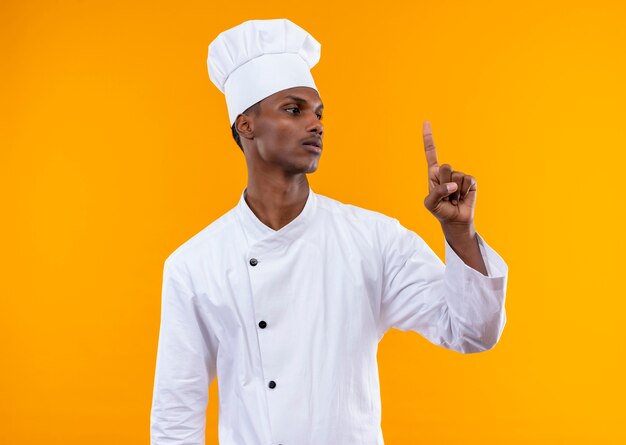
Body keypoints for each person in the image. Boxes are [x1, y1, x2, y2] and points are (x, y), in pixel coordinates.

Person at [150, 18, 508, 445]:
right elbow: (177, 415)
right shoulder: (194, 265)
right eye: (294, 109)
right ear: (245, 124)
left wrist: (460, 233)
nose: (316, 124)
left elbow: (471, 332)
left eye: (319, 113)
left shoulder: (373, 241)